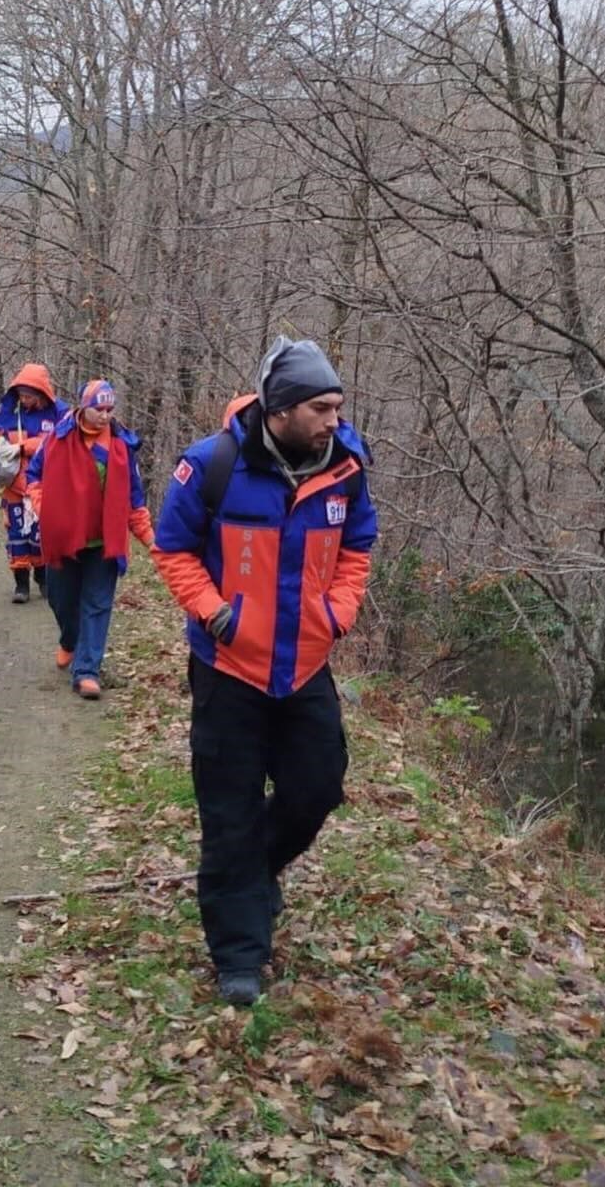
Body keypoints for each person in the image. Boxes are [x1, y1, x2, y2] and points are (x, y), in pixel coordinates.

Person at [152, 337, 378, 1006]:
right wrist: (214, 612)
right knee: (230, 815)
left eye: (338, 406)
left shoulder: (346, 467)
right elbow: (172, 548)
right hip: (228, 670)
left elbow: (358, 546)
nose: (334, 420)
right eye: (321, 407)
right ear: (280, 409)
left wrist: (338, 612)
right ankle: (239, 954)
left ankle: (250, 876)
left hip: (306, 664)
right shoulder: (212, 465)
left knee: (317, 789)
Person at [26, 380, 154, 700]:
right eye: (100, 409)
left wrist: (151, 539)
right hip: (63, 535)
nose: (105, 416)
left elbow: (134, 500)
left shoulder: (122, 447)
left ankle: (87, 671)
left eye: (110, 410)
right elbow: (35, 477)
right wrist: (45, 509)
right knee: (61, 599)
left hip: (104, 542)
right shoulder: (57, 438)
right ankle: (70, 641)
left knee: (97, 604)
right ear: (85, 407)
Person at [0, 363, 61, 603]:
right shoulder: (6, 412)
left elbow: (56, 442)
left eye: (29, 395)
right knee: (16, 535)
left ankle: (44, 578)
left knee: (42, 535)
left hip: (43, 486)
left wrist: (24, 447)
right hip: (12, 485)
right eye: (21, 395)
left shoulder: (58, 413)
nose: (24, 400)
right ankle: (21, 584)